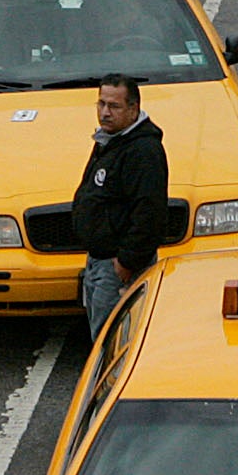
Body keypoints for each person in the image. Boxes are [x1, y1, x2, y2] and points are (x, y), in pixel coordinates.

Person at [70, 76, 167, 339]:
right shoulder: (110, 141)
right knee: (102, 336)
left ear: (133, 109)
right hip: (98, 261)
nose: (105, 112)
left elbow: (149, 212)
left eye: (114, 106)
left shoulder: (142, 151)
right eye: (101, 103)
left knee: (113, 339)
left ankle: (113, 381)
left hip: (117, 269)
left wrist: (127, 261)